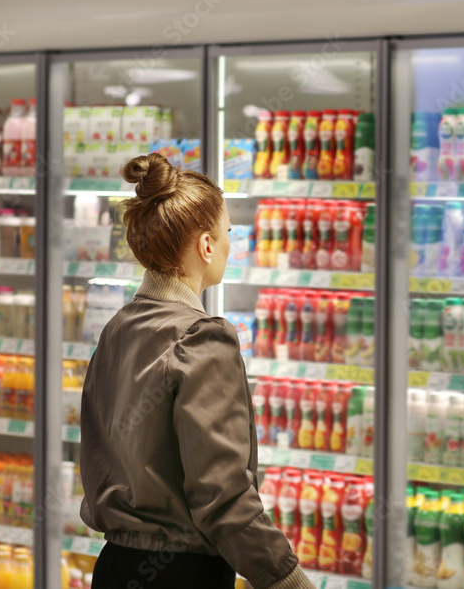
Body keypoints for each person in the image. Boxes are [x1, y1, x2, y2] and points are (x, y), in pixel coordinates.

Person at [80, 153, 315, 589]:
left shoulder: (117, 328)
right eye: (227, 233)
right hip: (181, 576)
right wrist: (290, 580)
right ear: (207, 246)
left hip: (113, 568)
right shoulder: (204, 338)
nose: (229, 243)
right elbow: (223, 498)